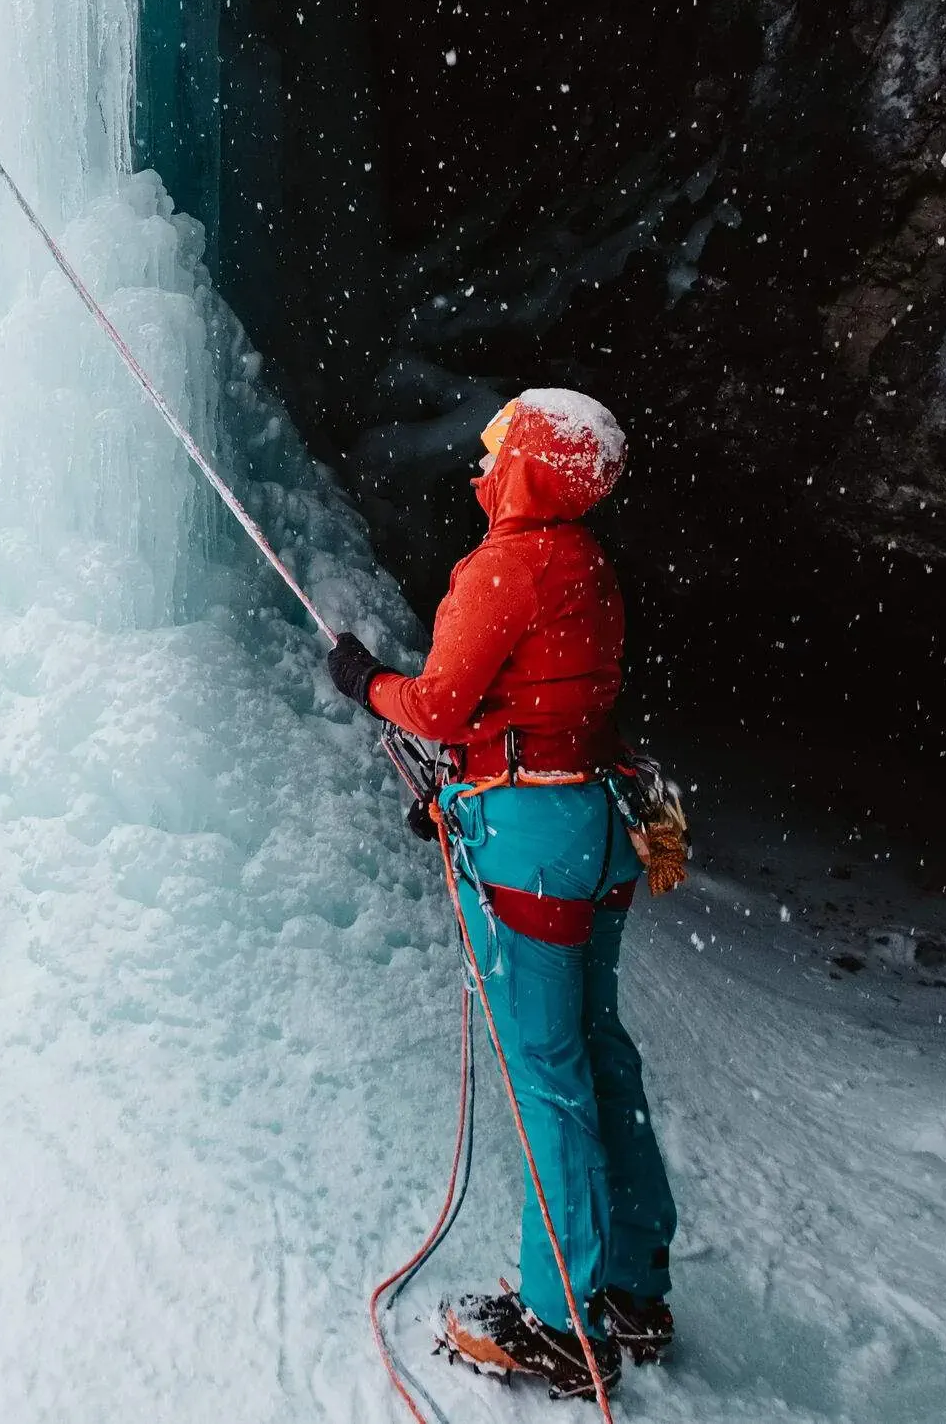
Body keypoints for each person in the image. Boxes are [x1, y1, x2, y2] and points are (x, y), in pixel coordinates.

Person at [329, 389, 677, 1405]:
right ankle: (632, 1288)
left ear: (528, 466)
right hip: (594, 826)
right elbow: (550, 702)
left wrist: (364, 681)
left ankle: (559, 1322)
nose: (483, 468)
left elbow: (439, 705)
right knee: (600, 1051)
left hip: (533, 843)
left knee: (548, 1074)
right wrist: (474, 785)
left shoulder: (510, 564)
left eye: (497, 451)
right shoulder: (588, 564)